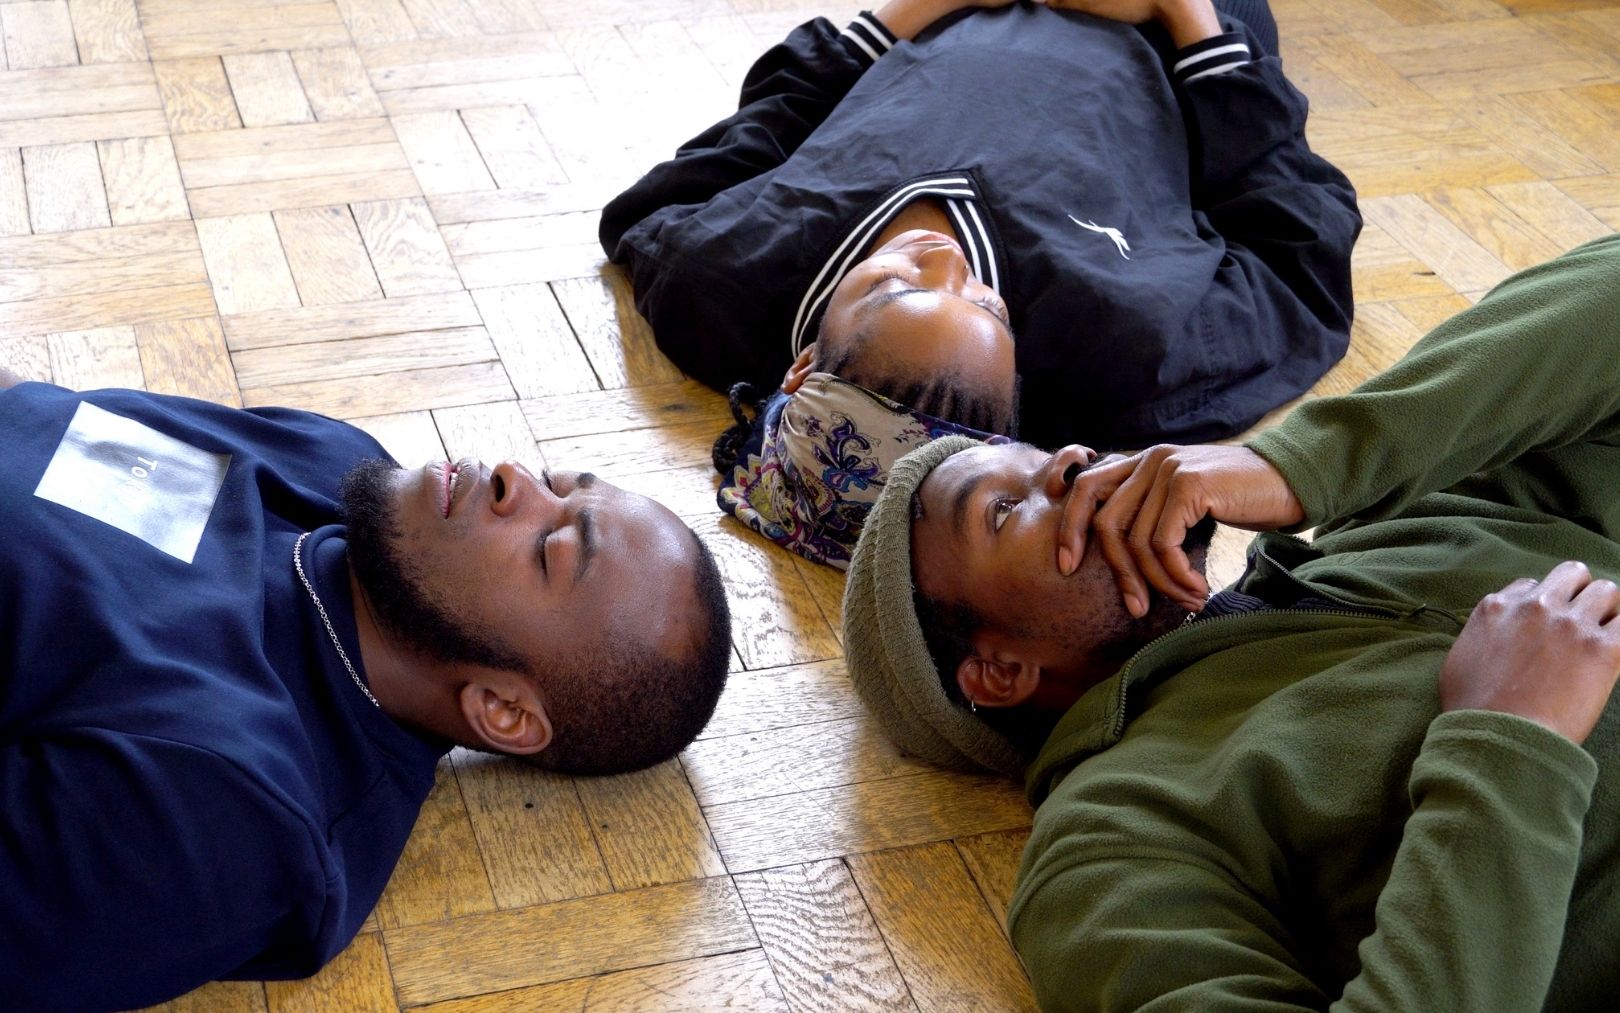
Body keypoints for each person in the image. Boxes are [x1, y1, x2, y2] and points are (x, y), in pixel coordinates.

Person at [840, 234, 1620, 1010]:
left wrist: (1300, 466)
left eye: (1043, 453)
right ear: (1001, 670)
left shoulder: (1382, 525)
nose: (1072, 462)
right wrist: (1512, 739)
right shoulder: (1112, 841)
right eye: (1005, 509)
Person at [0, 371, 732, 1009]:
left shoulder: (229, 814)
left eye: (549, 548)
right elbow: (38, 415)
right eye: (556, 481)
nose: (513, 475)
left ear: (502, 709)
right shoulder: (339, 467)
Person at [601, 0, 1359, 565]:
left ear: (800, 367)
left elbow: (708, 162)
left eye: (895, 288)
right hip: (1172, 37)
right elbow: (1299, 249)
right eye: (989, 310)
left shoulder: (722, 284)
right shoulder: (1126, 359)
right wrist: (1189, 19)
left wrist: (912, 9)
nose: (945, 259)